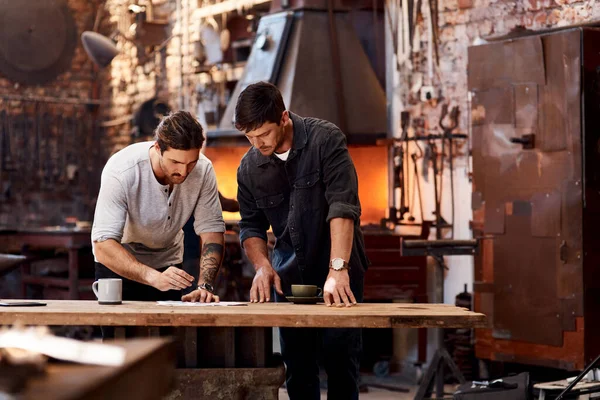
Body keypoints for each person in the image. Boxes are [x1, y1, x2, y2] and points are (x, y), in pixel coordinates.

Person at [234, 81, 369, 399]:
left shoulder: (326, 140)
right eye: (249, 137)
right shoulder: (249, 168)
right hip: (289, 278)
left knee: (341, 364)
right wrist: (263, 266)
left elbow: (342, 205)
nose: (257, 143)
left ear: (283, 118)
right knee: (298, 368)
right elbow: (251, 227)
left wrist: (338, 268)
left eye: (263, 134)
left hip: (340, 270)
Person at [92, 110, 225, 306]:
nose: (183, 171)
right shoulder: (121, 170)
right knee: (120, 336)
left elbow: (212, 232)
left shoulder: (203, 170)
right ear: (158, 148)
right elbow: (103, 245)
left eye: (191, 163)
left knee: (170, 336)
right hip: (118, 266)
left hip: (169, 267)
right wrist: (152, 277)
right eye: (175, 162)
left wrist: (205, 286)